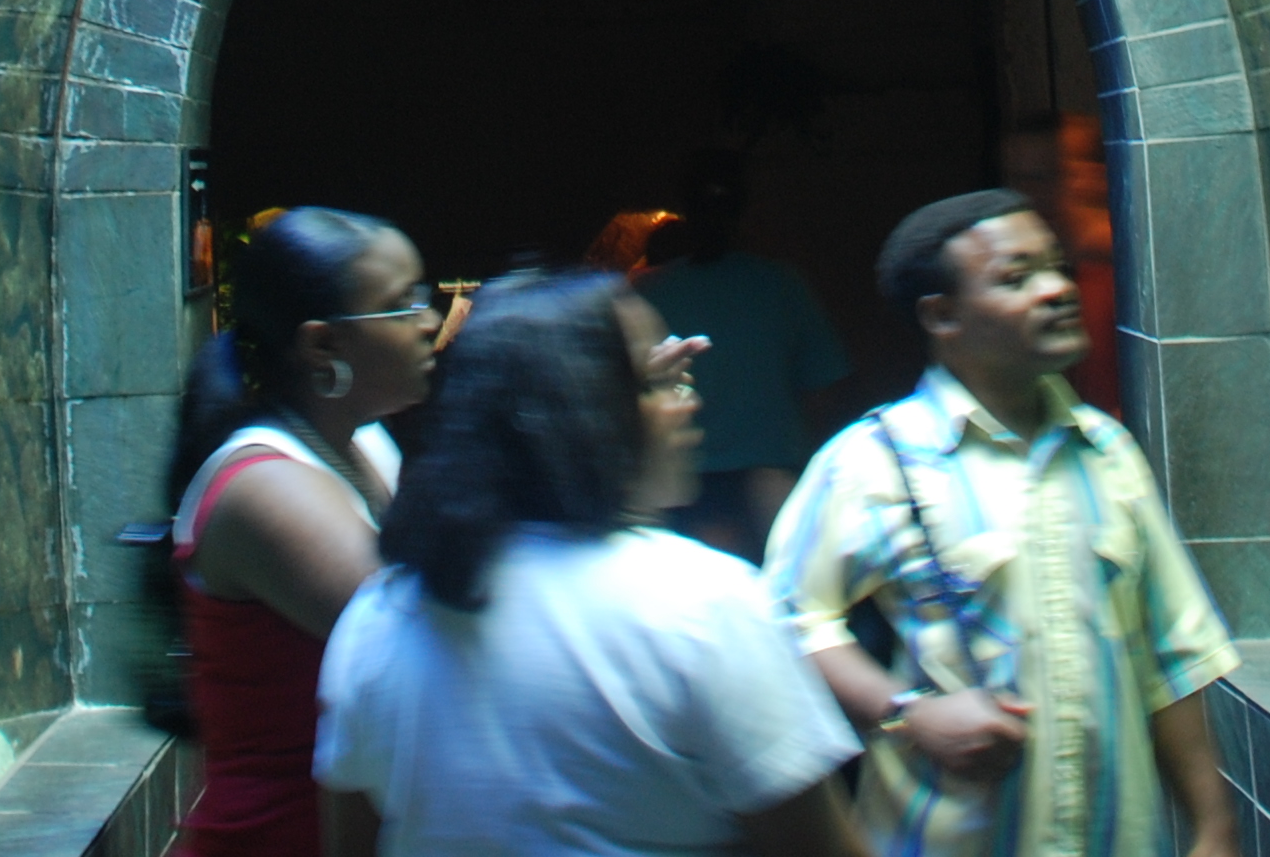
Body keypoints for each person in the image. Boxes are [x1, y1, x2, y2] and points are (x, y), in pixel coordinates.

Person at [315, 271, 864, 857]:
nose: (689, 403)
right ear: (586, 413)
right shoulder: (703, 602)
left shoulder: (380, 612)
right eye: (659, 383)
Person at [765, 189, 1242, 857]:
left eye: (1055, 268)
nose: (1057, 290)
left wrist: (1214, 827)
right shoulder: (876, 461)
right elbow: (784, 623)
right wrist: (908, 713)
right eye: (1016, 278)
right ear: (943, 315)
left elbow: (1171, 650)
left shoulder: (1106, 451)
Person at [160, 208, 447, 857]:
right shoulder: (265, 488)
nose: (431, 321)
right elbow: (425, 646)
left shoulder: (366, 444)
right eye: (403, 304)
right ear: (323, 346)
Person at [635, 150, 848, 559]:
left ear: (684, 212)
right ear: (745, 210)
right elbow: (825, 389)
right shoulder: (781, 286)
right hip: (773, 486)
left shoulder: (652, 293)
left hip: (687, 490)